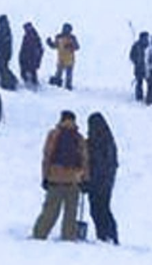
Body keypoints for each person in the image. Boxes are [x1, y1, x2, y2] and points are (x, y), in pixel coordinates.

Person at [31, 110, 88, 241]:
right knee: (71, 212)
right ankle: (68, 237)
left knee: (50, 210)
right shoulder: (79, 137)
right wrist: (85, 179)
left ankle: (39, 234)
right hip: (74, 179)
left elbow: (47, 157)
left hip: (55, 178)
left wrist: (45, 177)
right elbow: (85, 160)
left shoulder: (53, 134)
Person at [84, 112, 119, 244]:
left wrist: (89, 181)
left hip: (98, 181)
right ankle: (107, 235)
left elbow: (97, 163)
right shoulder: (108, 140)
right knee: (102, 208)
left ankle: (105, 235)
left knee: (99, 209)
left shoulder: (98, 142)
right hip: (106, 181)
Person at [46, 22, 80, 90]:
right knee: (59, 73)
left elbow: (77, 47)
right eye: (65, 29)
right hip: (61, 59)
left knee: (68, 75)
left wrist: (71, 46)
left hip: (70, 59)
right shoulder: (59, 37)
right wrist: (49, 43)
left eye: (68, 29)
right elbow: (55, 46)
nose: (66, 30)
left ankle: (68, 86)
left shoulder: (72, 38)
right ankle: (57, 84)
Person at [0, 14, 17, 90]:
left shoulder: (3, 29)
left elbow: (1, 42)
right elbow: (0, 41)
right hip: (5, 52)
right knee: (3, 66)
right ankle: (10, 80)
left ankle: (8, 82)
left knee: (2, 67)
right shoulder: (5, 28)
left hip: (3, 53)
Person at [19, 21, 43, 89]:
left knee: (30, 71)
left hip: (31, 57)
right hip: (29, 57)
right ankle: (32, 83)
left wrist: (37, 57)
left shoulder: (32, 36)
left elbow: (39, 48)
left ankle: (32, 84)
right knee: (31, 71)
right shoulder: (29, 35)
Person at [129, 31, 149, 101]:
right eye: (145, 37)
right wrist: (136, 61)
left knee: (150, 82)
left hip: (148, 67)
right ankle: (139, 96)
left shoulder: (149, 45)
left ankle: (150, 96)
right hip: (139, 67)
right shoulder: (136, 45)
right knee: (139, 82)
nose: (146, 39)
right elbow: (131, 56)